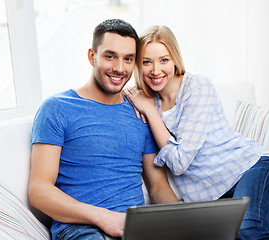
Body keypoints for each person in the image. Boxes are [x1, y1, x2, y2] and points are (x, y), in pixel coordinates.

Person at [123, 25, 269, 239]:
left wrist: (149, 110)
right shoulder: (147, 103)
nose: (155, 70)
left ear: (175, 59)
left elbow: (179, 162)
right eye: (147, 62)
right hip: (216, 198)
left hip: (254, 170)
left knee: (247, 228)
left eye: (163, 60)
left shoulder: (197, 87)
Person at [28, 19, 178, 240]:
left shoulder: (140, 112)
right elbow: (39, 191)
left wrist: (183, 224)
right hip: (82, 229)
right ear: (92, 56)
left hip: (135, 229)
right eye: (110, 56)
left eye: (128, 59)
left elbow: (157, 187)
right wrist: (103, 217)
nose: (119, 68)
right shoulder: (57, 108)